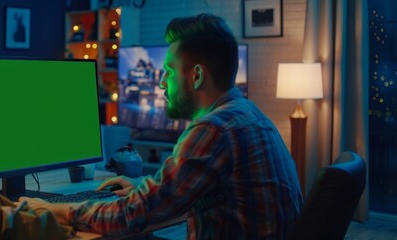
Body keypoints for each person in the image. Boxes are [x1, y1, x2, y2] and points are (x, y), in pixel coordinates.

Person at [20, 13, 303, 239]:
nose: (161, 82)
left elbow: (130, 217)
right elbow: (191, 189)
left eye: (168, 70)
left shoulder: (213, 130)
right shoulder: (248, 113)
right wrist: (145, 186)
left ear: (196, 75)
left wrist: (53, 211)